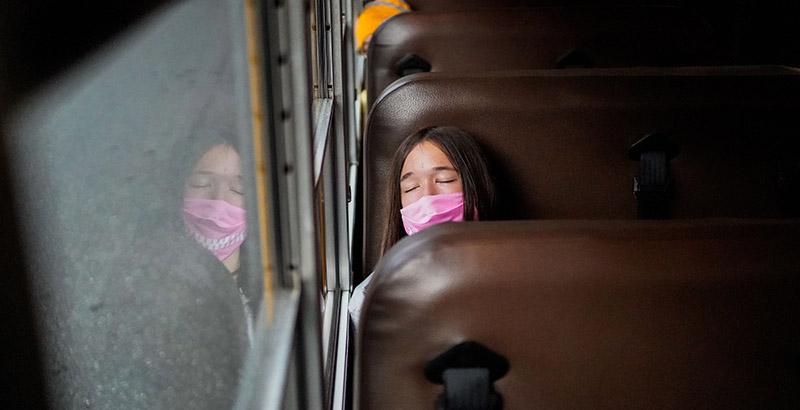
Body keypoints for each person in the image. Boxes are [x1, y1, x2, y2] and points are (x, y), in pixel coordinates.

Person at [349, 126, 496, 329]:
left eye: (445, 180)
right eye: (412, 188)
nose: (427, 196)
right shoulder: (370, 300)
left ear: (477, 187)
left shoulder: (520, 275)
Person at [183, 140, 257, 342]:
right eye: (201, 184)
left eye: (238, 190)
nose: (218, 204)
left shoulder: (278, 293)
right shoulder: (149, 284)